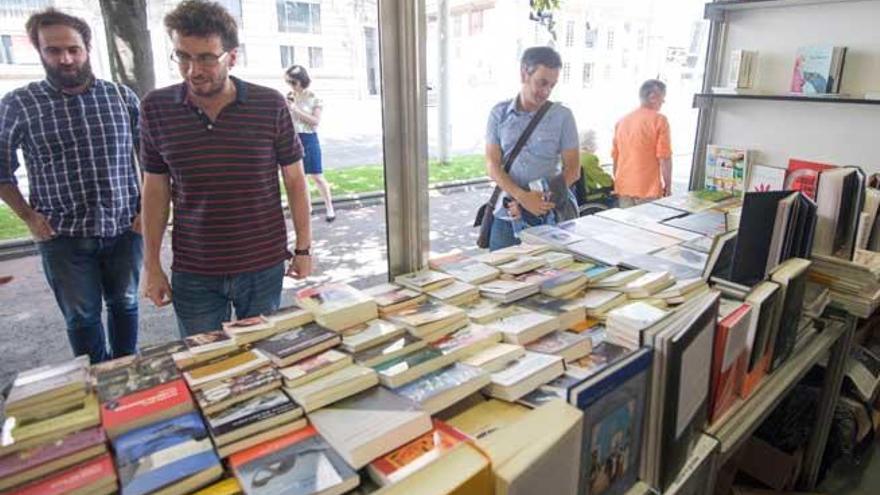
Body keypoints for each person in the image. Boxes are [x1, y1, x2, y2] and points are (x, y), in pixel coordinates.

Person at [140, 0, 313, 336]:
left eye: (206, 57)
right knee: (205, 363)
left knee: (262, 357)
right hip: (195, 269)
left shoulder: (269, 104)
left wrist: (304, 248)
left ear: (232, 57)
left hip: (262, 264)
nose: (194, 70)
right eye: (183, 56)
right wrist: (152, 267)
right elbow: (155, 189)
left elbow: (295, 180)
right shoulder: (156, 108)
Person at [0, 9, 142, 363]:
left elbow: (152, 160)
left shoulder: (121, 98)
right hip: (62, 236)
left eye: (73, 49)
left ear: (86, 48)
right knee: (81, 316)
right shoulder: (18, 104)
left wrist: (146, 211)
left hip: (124, 228)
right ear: (39, 51)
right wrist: (29, 217)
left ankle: (127, 374)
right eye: (53, 50)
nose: (65, 58)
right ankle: (95, 381)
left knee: (126, 304)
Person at [485, 46, 580, 251]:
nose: (546, 92)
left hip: (549, 218)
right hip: (507, 215)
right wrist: (522, 197)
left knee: (553, 279)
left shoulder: (563, 116)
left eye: (552, 86)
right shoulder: (499, 114)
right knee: (502, 277)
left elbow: (573, 170)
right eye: (542, 83)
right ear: (523, 73)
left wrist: (540, 202)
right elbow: (492, 166)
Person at [284, 65, 335, 223]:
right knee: (300, 176)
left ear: (301, 81)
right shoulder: (289, 96)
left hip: (309, 138)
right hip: (293, 138)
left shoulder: (314, 97)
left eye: (292, 82)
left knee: (317, 176)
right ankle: (307, 208)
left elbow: (315, 122)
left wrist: (295, 109)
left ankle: (329, 207)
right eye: (288, 82)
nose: (290, 85)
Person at [611, 79, 673, 207]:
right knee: (647, 226)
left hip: (624, 187)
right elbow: (664, 158)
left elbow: (615, 158)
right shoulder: (659, 120)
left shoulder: (622, 121)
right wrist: (668, 185)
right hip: (647, 189)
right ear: (653, 97)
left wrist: (618, 181)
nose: (663, 101)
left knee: (627, 226)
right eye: (662, 97)